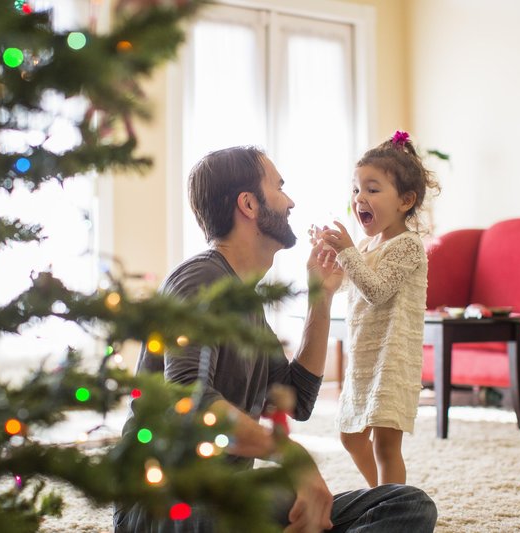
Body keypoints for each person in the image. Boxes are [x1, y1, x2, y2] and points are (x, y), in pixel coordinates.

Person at [113, 145, 437, 532]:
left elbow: (296, 400)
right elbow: (190, 402)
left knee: (406, 504)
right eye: (279, 187)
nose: (291, 201)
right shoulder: (200, 280)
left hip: (234, 494)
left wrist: (321, 297)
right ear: (249, 204)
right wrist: (289, 453)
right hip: (167, 503)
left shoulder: (246, 301)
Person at [314, 131, 440, 488]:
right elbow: (352, 288)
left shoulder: (408, 246)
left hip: (392, 356)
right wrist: (332, 260)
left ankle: (392, 509)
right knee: (351, 437)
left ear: (405, 200)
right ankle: (380, 497)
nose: (360, 198)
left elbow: (378, 291)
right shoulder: (368, 245)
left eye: (372, 189)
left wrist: (348, 252)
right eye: (356, 189)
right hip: (365, 356)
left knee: (385, 445)